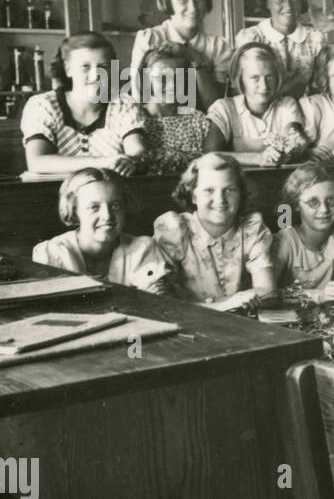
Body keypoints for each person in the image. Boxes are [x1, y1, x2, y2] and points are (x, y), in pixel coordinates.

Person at [153, 153, 276, 313]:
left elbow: (268, 290)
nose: (220, 200)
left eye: (230, 190)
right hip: (185, 324)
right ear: (193, 196)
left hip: (241, 324)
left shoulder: (251, 228)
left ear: (242, 194)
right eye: (209, 190)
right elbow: (160, 301)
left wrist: (243, 301)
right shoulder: (174, 229)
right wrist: (223, 306)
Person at [21, 32, 148, 176]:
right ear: (68, 69)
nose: (95, 75)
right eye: (85, 66)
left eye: (103, 66)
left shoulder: (123, 105)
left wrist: (131, 161)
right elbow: (37, 162)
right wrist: (101, 162)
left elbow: (137, 152)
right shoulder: (42, 105)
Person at [32, 167, 171, 293]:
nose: (107, 216)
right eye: (94, 207)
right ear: (75, 211)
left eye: (115, 206)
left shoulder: (142, 248)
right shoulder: (51, 253)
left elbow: (157, 297)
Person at [271, 162, 334, 303]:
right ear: (296, 205)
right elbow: (269, 294)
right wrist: (318, 296)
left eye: (331, 200)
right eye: (313, 202)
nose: (324, 210)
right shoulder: (286, 239)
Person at [131, 0, 230, 108]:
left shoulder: (218, 46)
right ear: (168, 3)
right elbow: (139, 98)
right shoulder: (150, 38)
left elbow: (216, 107)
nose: (193, 7)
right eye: (182, 0)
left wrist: (194, 57)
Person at [204, 43, 310, 166]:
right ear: (240, 79)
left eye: (269, 77)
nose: (264, 86)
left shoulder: (286, 104)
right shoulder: (224, 108)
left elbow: (290, 139)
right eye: (255, 78)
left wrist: (296, 146)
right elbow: (209, 155)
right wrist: (257, 158)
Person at [235, 0, 326, 99]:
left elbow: (318, 89)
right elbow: (242, 90)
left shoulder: (315, 39)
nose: (288, 5)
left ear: (301, 2)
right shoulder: (250, 38)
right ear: (267, 2)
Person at [132, 43, 211, 172]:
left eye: (178, 78)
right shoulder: (133, 119)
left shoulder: (197, 119)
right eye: (162, 79)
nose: (172, 86)